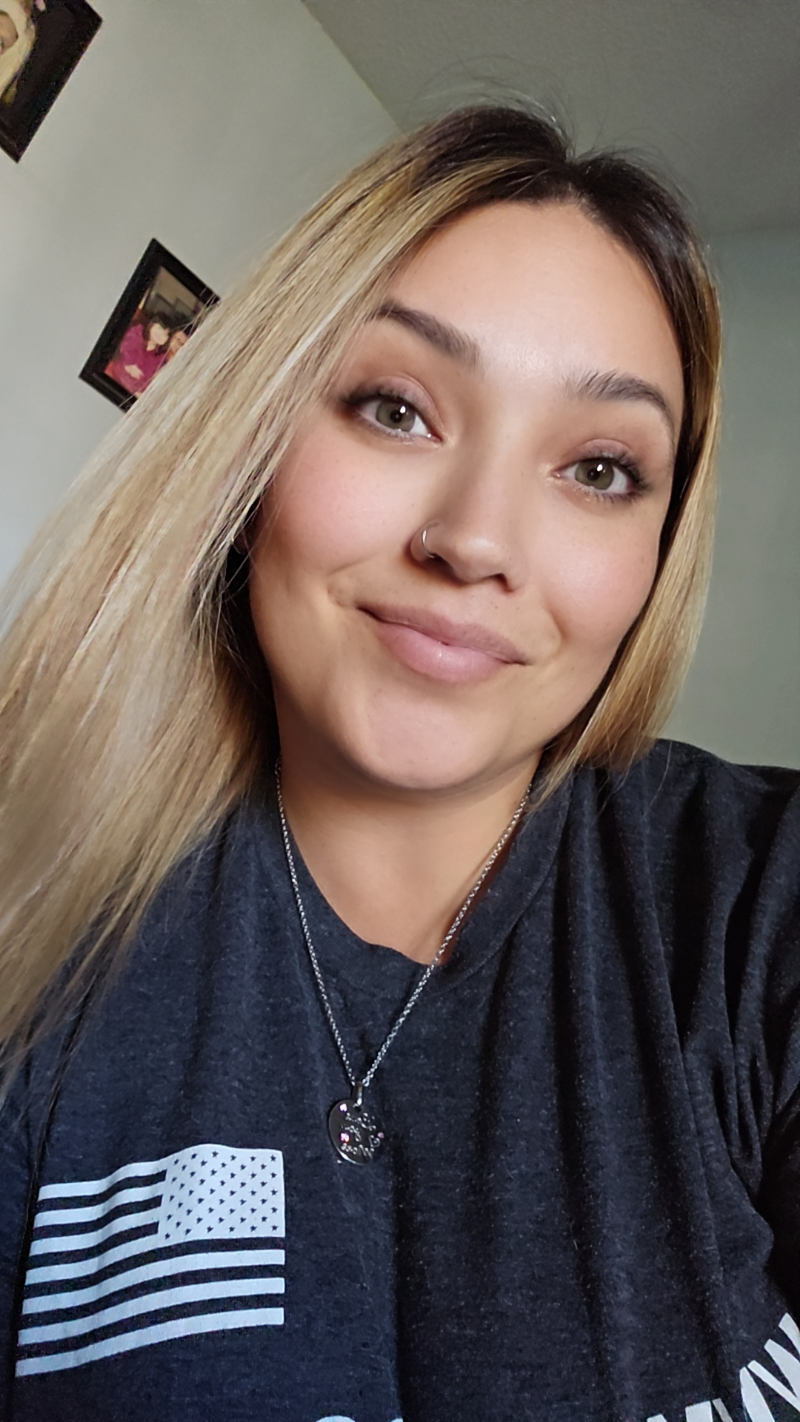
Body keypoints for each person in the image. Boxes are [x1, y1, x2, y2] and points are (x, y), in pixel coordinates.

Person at [0, 105, 798, 1422]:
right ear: (253, 442)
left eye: (599, 468)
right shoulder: (39, 934)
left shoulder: (752, 903)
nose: (475, 539)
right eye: (395, 409)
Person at [105, 312, 173, 397]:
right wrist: (130, 364)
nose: (161, 334)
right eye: (159, 328)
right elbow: (126, 350)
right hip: (111, 377)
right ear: (152, 324)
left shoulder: (160, 358)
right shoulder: (137, 332)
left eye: (166, 334)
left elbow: (146, 382)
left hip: (128, 394)